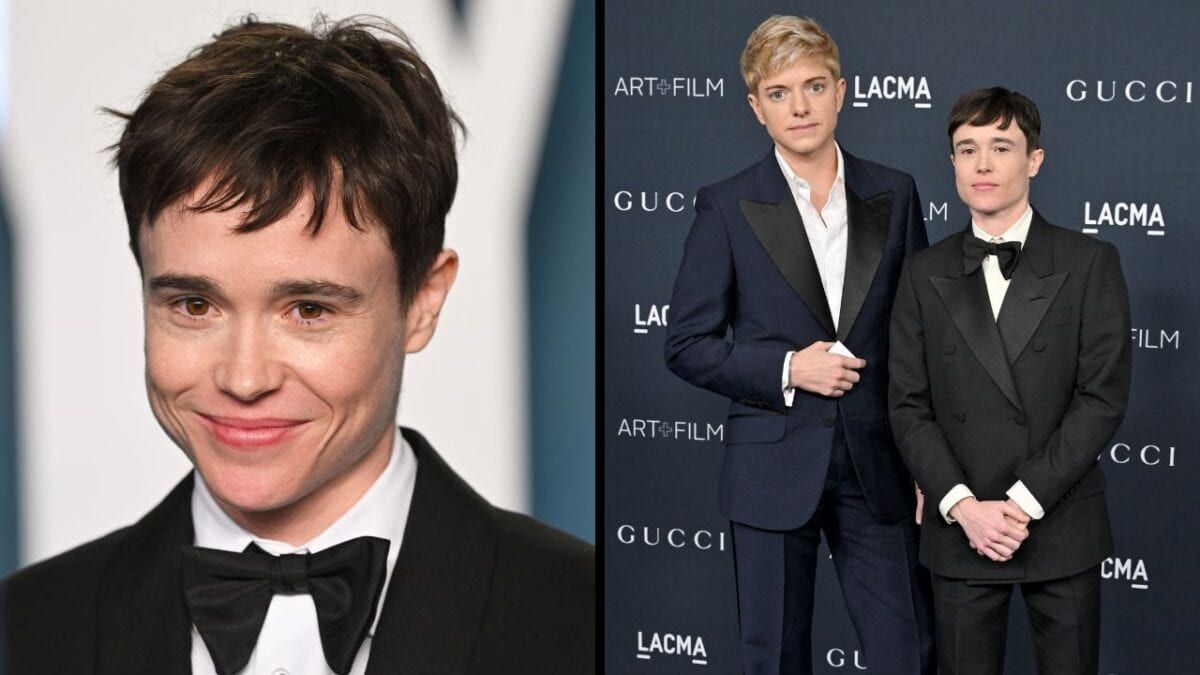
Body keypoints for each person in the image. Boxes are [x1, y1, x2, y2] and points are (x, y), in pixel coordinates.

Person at [0, 16, 593, 674]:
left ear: (423, 302)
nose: (244, 377)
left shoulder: (591, 619)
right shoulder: (25, 629)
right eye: (194, 305)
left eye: (308, 310)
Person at [664, 15, 934, 675]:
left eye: (814, 86)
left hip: (880, 466)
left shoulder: (895, 192)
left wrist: (930, 464)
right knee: (776, 659)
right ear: (756, 107)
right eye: (779, 93)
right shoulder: (726, 206)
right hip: (770, 468)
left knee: (910, 655)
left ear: (841, 91)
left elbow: (919, 339)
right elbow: (686, 343)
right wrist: (789, 367)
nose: (800, 106)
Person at [888, 87, 1131, 675]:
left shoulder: (1090, 262)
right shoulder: (922, 272)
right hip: (961, 527)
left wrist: (1022, 502)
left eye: (1001, 147)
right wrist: (962, 506)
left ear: (1034, 160)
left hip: (1059, 520)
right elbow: (907, 405)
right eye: (967, 149)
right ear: (952, 163)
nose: (983, 164)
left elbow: (1101, 398)